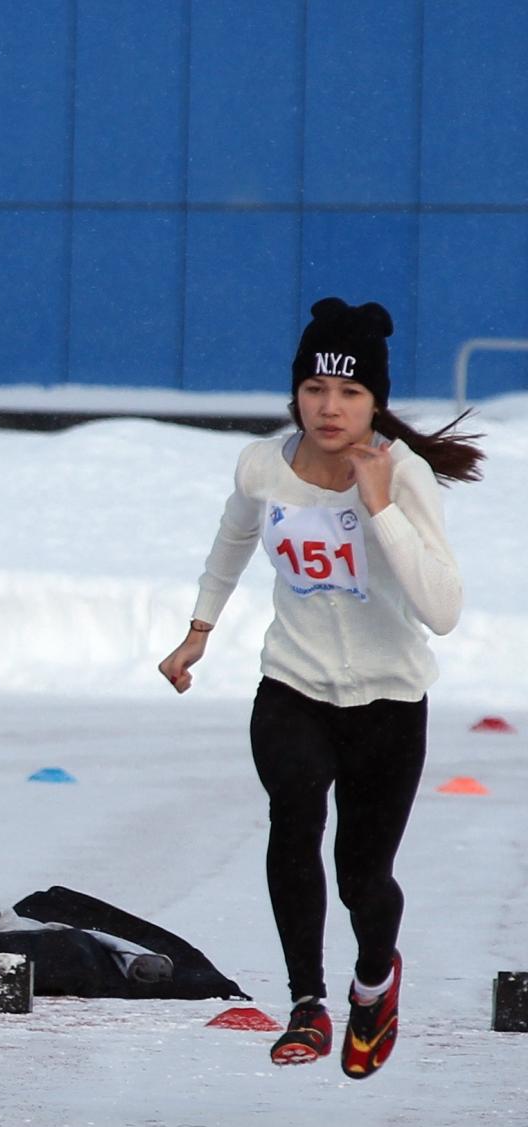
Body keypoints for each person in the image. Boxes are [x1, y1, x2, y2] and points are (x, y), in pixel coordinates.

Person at [159, 298, 478, 1079]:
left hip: (389, 700)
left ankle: (375, 984)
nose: (329, 408)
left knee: (363, 877)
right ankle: (309, 1003)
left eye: (350, 394)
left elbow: (441, 609)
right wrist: (199, 629)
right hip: (293, 684)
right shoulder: (264, 467)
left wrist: (379, 508)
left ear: (377, 403)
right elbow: (234, 537)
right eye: (314, 390)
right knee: (293, 818)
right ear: (296, 393)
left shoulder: (402, 475)